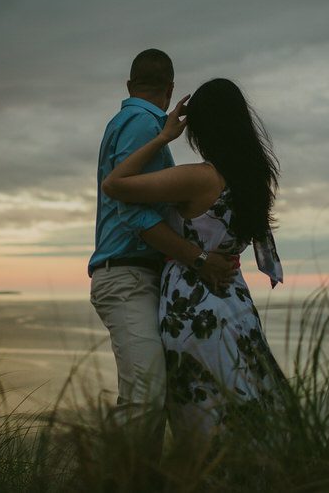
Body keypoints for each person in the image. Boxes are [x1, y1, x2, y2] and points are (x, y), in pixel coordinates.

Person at [102, 77, 287, 442]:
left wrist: (162, 137)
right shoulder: (256, 178)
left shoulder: (200, 178)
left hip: (193, 307)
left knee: (203, 422)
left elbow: (115, 185)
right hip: (236, 303)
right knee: (250, 405)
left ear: (201, 128)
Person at [88, 50, 237, 456]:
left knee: (155, 398)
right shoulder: (143, 123)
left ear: (129, 85)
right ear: (171, 89)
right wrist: (200, 259)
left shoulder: (128, 121)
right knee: (144, 400)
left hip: (138, 276)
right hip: (127, 277)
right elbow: (133, 214)